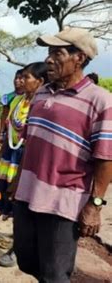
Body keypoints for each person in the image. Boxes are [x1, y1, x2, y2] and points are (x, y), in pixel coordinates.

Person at [12, 28, 112, 282]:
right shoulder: (41, 93)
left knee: (55, 273)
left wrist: (95, 205)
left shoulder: (100, 101)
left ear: (79, 58)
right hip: (28, 193)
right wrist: (17, 180)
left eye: (58, 53)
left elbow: (105, 159)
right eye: (49, 52)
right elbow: (30, 141)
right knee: (26, 259)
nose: (48, 59)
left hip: (62, 203)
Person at [0, 62, 48, 268]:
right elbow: (9, 129)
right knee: (10, 198)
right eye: (20, 77)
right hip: (12, 155)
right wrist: (1, 152)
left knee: (23, 201)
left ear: (40, 82)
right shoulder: (18, 101)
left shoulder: (44, 105)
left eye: (26, 78)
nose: (20, 81)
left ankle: (18, 248)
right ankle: (20, 241)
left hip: (30, 159)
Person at [0, 70, 23, 143]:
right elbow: (4, 115)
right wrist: (1, 133)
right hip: (8, 130)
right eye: (16, 78)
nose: (16, 81)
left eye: (20, 78)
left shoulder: (28, 97)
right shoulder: (8, 97)